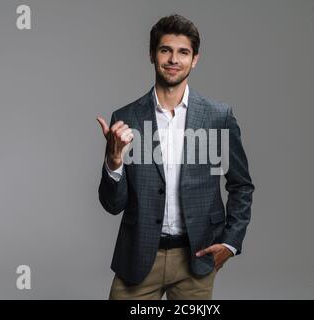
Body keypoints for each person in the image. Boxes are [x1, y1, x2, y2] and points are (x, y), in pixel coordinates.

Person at [97, 14, 255, 300]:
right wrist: (114, 162)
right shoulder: (126, 118)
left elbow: (241, 185)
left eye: (183, 52)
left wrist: (230, 243)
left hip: (196, 259)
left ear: (194, 59)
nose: (173, 59)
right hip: (138, 258)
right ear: (152, 55)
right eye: (165, 49)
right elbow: (112, 205)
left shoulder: (218, 116)